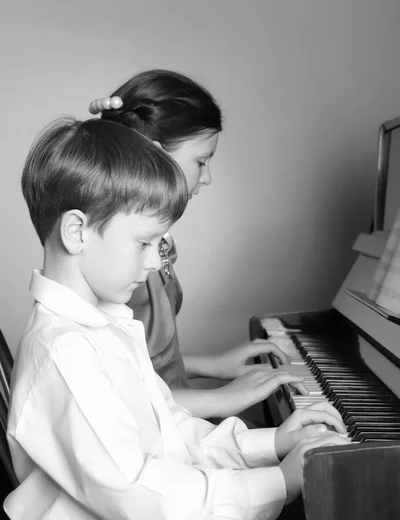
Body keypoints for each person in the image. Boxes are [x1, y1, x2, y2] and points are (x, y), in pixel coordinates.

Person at [4, 115, 349, 520]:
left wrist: (270, 444)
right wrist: (279, 483)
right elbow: (141, 494)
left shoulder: (109, 324)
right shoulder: (65, 353)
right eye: (144, 242)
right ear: (77, 232)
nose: (152, 263)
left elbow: (171, 433)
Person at [89, 70, 309, 423]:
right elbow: (118, 398)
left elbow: (140, 359)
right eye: (202, 161)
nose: (207, 177)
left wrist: (213, 365)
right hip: (153, 432)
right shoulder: (124, 265)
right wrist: (224, 399)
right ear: (155, 156)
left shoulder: (147, 246)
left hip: (170, 413)